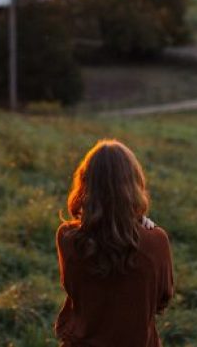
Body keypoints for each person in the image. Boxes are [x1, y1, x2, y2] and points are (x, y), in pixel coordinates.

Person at [55, 139, 174, 347]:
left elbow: (74, 290)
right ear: (135, 184)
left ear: (85, 183)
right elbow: (161, 301)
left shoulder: (68, 238)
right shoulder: (156, 241)